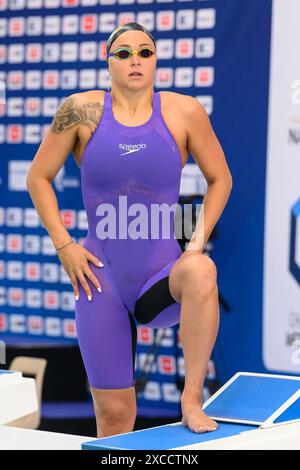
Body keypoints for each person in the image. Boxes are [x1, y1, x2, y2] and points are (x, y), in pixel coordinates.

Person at [26, 22, 233, 439]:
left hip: (159, 274)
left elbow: (221, 179)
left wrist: (194, 243)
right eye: (123, 53)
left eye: (145, 52)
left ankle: (191, 400)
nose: (134, 60)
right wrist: (64, 244)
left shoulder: (182, 111)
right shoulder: (81, 110)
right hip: (99, 277)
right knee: (116, 417)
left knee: (202, 270)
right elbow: (38, 177)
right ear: (109, 61)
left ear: (155, 60)